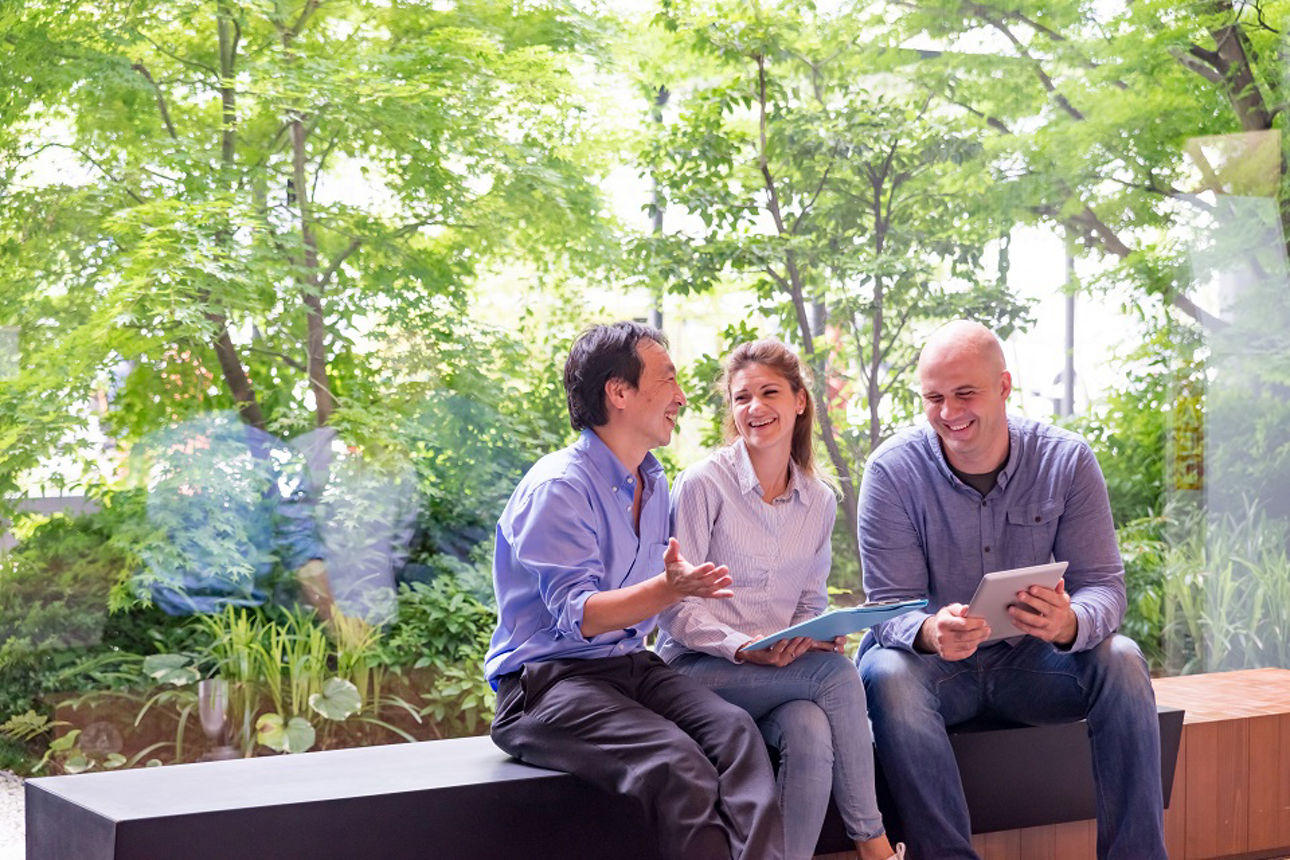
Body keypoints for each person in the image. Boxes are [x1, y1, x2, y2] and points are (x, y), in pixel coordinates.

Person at [856, 320, 1167, 860]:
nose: (949, 412)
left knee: (1122, 657)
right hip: (937, 671)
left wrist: (1069, 623)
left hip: (1034, 665)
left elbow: (1106, 589)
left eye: (965, 393)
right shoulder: (892, 471)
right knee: (886, 672)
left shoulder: (1065, 461)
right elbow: (888, 608)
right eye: (934, 398)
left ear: (1003, 386)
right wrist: (930, 632)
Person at [484, 322, 784, 860]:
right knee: (678, 765)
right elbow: (582, 617)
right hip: (546, 685)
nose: (682, 396)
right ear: (618, 392)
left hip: (628, 669)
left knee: (738, 735)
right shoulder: (559, 487)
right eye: (668, 380)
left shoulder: (655, 479)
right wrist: (667, 589)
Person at [657, 339, 903, 860]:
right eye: (741, 398)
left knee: (809, 728)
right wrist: (744, 648)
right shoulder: (703, 485)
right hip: (695, 670)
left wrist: (812, 634)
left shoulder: (819, 501)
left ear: (799, 401)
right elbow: (676, 609)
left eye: (768, 392)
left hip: (774, 672)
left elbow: (809, 601)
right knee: (837, 676)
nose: (754, 408)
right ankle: (874, 845)